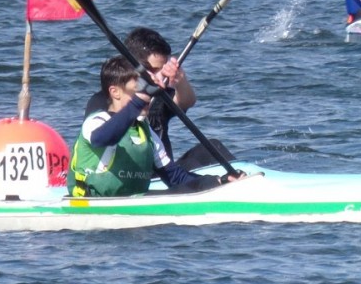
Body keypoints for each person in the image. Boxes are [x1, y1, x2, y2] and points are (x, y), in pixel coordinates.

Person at [70, 55, 244, 197]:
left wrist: (217, 182)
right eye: (138, 89)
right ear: (115, 92)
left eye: (147, 89)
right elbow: (103, 139)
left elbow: (175, 177)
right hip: (91, 204)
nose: (148, 96)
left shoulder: (144, 131)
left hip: (131, 203)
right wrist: (139, 100)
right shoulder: (96, 121)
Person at [83, 28, 232, 171]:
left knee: (213, 147)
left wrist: (179, 80)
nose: (161, 77)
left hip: (166, 172)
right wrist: (137, 105)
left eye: (163, 69)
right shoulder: (102, 101)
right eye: (154, 70)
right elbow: (98, 138)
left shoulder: (159, 95)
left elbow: (187, 101)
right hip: (127, 175)